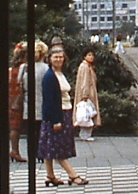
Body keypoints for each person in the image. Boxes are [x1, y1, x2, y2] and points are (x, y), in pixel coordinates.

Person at [38, 43, 87, 186]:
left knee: (50, 146)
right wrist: (55, 120)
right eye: (55, 57)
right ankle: (73, 175)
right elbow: (49, 100)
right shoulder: (49, 76)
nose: (59, 59)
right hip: (57, 115)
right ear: (49, 58)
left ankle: (50, 175)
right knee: (59, 148)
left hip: (64, 111)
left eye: (61, 57)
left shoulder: (59, 74)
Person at [19, 40, 49, 160]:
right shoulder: (46, 68)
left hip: (27, 103)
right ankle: (41, 154)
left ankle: (31, 153)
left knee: (30, 133)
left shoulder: (24, 67)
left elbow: (18, 83)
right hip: (42, 103)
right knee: (41, 132)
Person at [73, 46, 101, 140]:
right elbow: (85, 81)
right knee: (86, 113)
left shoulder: (87, 66)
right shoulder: (85, 67)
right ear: (84, 56)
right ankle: (85, 134)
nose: (91, 57)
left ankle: (85, 133)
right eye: (89, 55)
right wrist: (85, 94)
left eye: (92, 55)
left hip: (88, 92)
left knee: (87, 113)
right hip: (87, 93)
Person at [8, 43, 27, 162]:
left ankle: (14, 150)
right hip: (18, 99)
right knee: (16, 127)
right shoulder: (23, 67)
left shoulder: (12, 67)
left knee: (14, 126)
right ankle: (14, 151)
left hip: (11, 98)